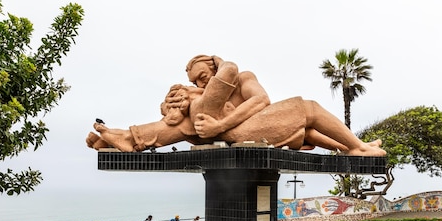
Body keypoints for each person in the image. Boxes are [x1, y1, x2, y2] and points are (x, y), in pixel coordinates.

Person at [87, 55, 386, 157]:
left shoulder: (242, 78)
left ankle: (352, 146)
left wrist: (218, 125)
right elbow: (176, 125)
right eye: (197, 81)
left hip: (242, 127)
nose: (202, 84)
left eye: (204, 77)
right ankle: (357, 146)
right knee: (308, 108)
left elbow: (261, 101)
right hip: (239, 133)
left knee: (306, 122)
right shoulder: (204, 98)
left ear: (214, 66)